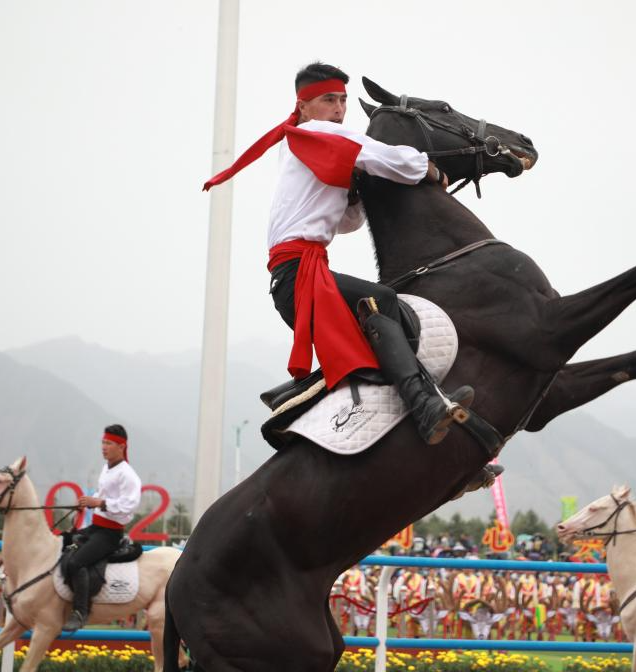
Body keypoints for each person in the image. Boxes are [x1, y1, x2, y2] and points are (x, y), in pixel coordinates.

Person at [203, 61, 474, 445]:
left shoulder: (307, 145)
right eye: (329, 99)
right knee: (381, 301)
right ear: (304, 106)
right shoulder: (315, 132)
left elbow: (347, 223)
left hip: (301, 273)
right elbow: (377, 154)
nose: (339, 109)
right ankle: (424, 405)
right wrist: (426, 168)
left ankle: (307, 394)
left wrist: (356, 194)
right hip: (299, 276)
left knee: (376, 318)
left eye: (343, 101)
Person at [63, 424, 142, 633]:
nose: (103, 447)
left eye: (108, 443)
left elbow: (129, 505)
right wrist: (88, 504)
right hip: (96, 526)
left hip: (110, 533)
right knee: (63, 541)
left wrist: (100, 503)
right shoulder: (107, 468)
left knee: (77, 563)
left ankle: (81, 612)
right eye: (103, 442)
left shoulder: (128, 474)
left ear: (121, 446)